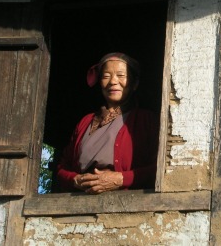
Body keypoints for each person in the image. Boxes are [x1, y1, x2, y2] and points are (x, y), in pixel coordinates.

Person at [57, 52, 158, 194]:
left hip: (129, 203)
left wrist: (121, 179)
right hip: (80, 202)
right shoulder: (85, 121)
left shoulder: (147, 120)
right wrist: (75, 179)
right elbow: (62, 167)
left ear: (134, 84)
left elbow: (160, 168)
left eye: (121, 75)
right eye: (106, 76)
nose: (112, 81)